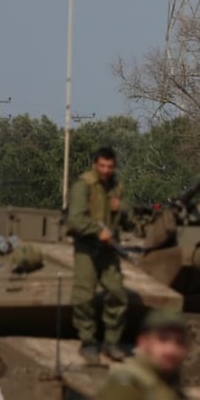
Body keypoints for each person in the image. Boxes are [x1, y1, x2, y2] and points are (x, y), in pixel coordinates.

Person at [67, 146, 132, 363]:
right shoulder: (83, 185)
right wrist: (97, 231)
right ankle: (88, 342)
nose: (106, 170)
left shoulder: (116, 187)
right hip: (87, 247)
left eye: (110, 166)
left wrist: (120, 207)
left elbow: (129, 219)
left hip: (108, 249)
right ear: (95, 164)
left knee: (118, 294)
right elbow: (75, 219)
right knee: (84, 297)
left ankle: (111, 342)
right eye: (102, 166)